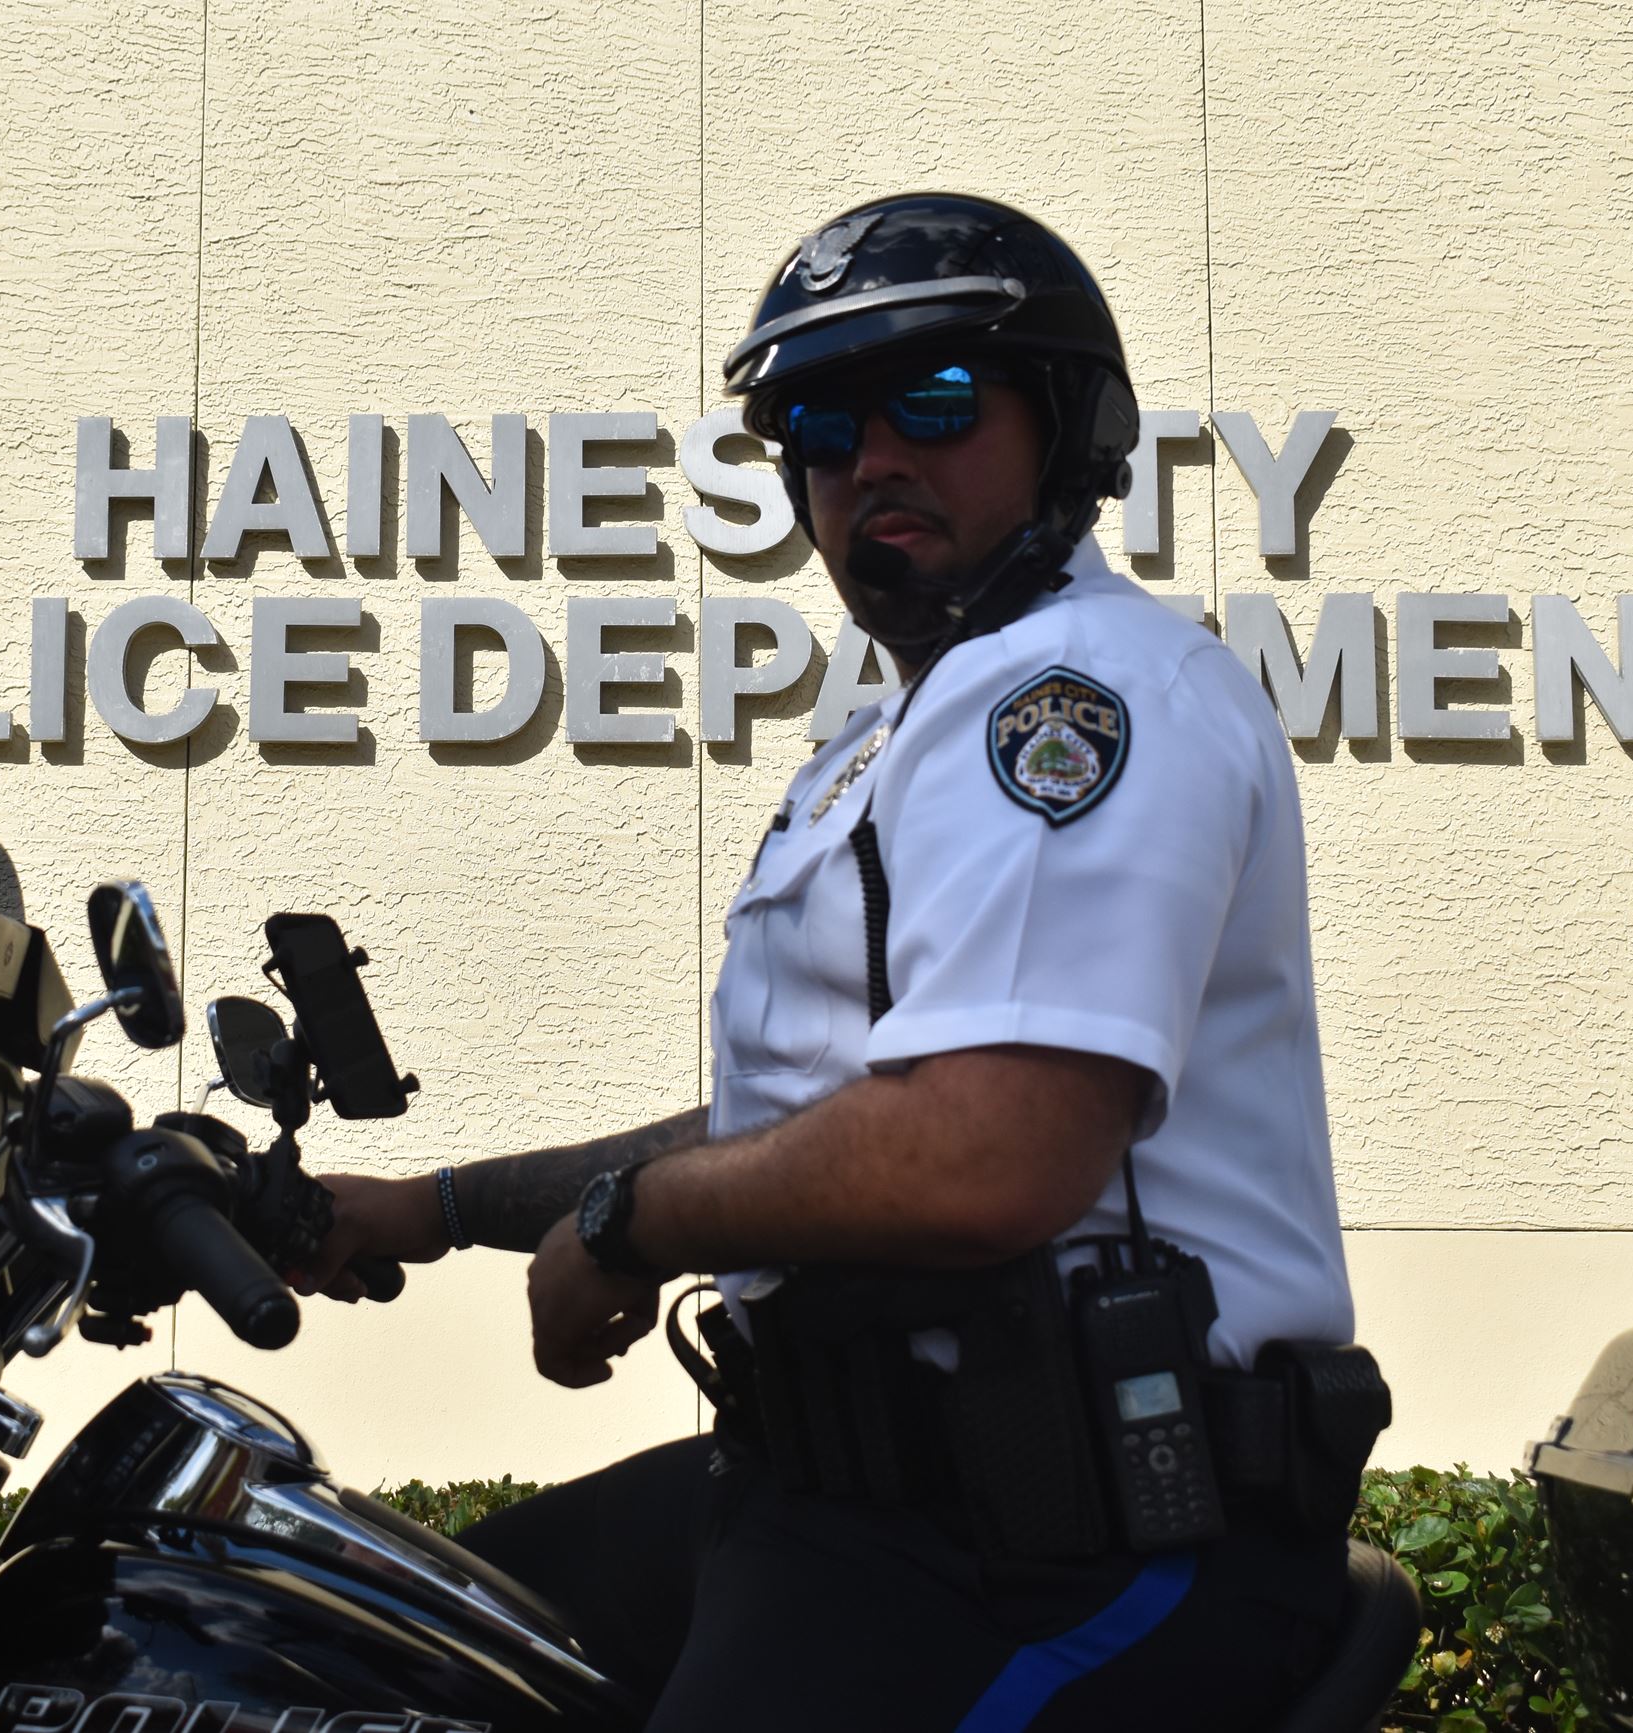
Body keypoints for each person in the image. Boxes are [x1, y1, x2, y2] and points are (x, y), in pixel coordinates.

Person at [297, 192, 1372, 1731]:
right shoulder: (891, 737)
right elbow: (817, 1126)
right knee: (359, 1654)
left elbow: (979, 1154)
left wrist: (627, 1226)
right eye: (817, 424)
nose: (872, 458)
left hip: (1063, 1548)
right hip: (845, 1496)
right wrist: (429, 1207)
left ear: (1068, 426)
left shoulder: (1071, 699)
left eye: (933, 402)